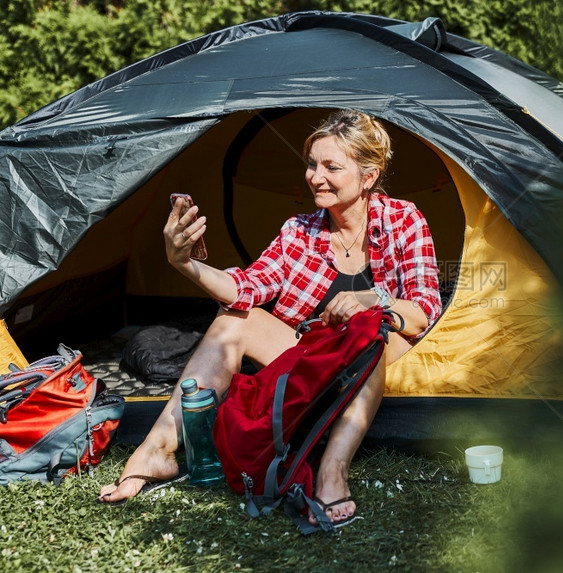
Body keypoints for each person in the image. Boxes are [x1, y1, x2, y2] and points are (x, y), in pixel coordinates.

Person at [98, 110, 442, 525]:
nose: (316, 177)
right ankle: (157, 450)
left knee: (369, 328)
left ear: (368, 177)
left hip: (373, 358)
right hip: (314, 360)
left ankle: (332, 473)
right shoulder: (299, 230)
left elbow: (423, 309)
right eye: (312, 164)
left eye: (332, 166)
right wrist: (183, 263)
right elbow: (247, 286)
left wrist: (370, 300)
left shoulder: (404, 220)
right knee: (232, 318)